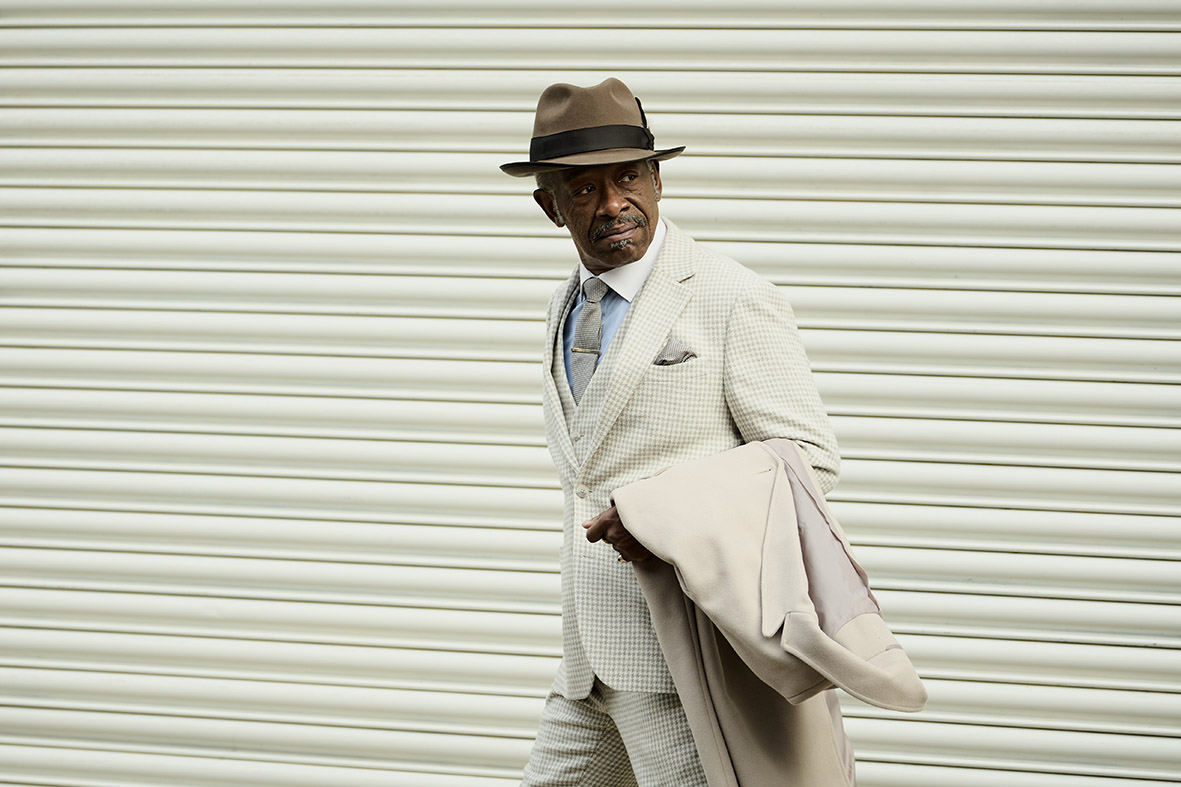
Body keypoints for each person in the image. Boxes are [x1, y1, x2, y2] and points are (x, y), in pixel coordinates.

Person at [501, 77, 841, 786]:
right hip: (587, 661)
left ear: (657, 180)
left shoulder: (731, 296)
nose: (612, 203)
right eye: (583, 188)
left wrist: (659, 513)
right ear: (549, 206)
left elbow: (807, 461)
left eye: (628, 177)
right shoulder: (564, 304)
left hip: (686, 656)